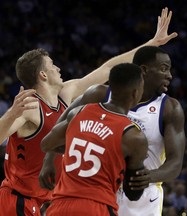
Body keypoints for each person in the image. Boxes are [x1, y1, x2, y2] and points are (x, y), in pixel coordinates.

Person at [0, 7, 177, 215]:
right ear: (43, 75)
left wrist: (150, 45)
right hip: (19, 199)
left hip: (48, 200)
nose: (58, 69)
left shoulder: (66, 93)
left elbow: (106, 70)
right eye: (52, 65)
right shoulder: (29, 107)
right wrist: (12, 114)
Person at [40, 45, 186, 216]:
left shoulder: (170, 108)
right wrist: (49, 160)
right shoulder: (99, 94)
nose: (169, 75)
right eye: (163, 69)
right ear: (144, 71)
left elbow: (175, 163)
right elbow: (63, 123)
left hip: (141, 194)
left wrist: (147, 176)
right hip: (96, 188)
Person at [40, 63, 148, 216]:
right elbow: (133, 193)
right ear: (136, 93)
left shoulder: (79, 112)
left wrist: (73, 146)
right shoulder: (133, 137)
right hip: (97, 207)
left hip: (61, 205)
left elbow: (46, 144)